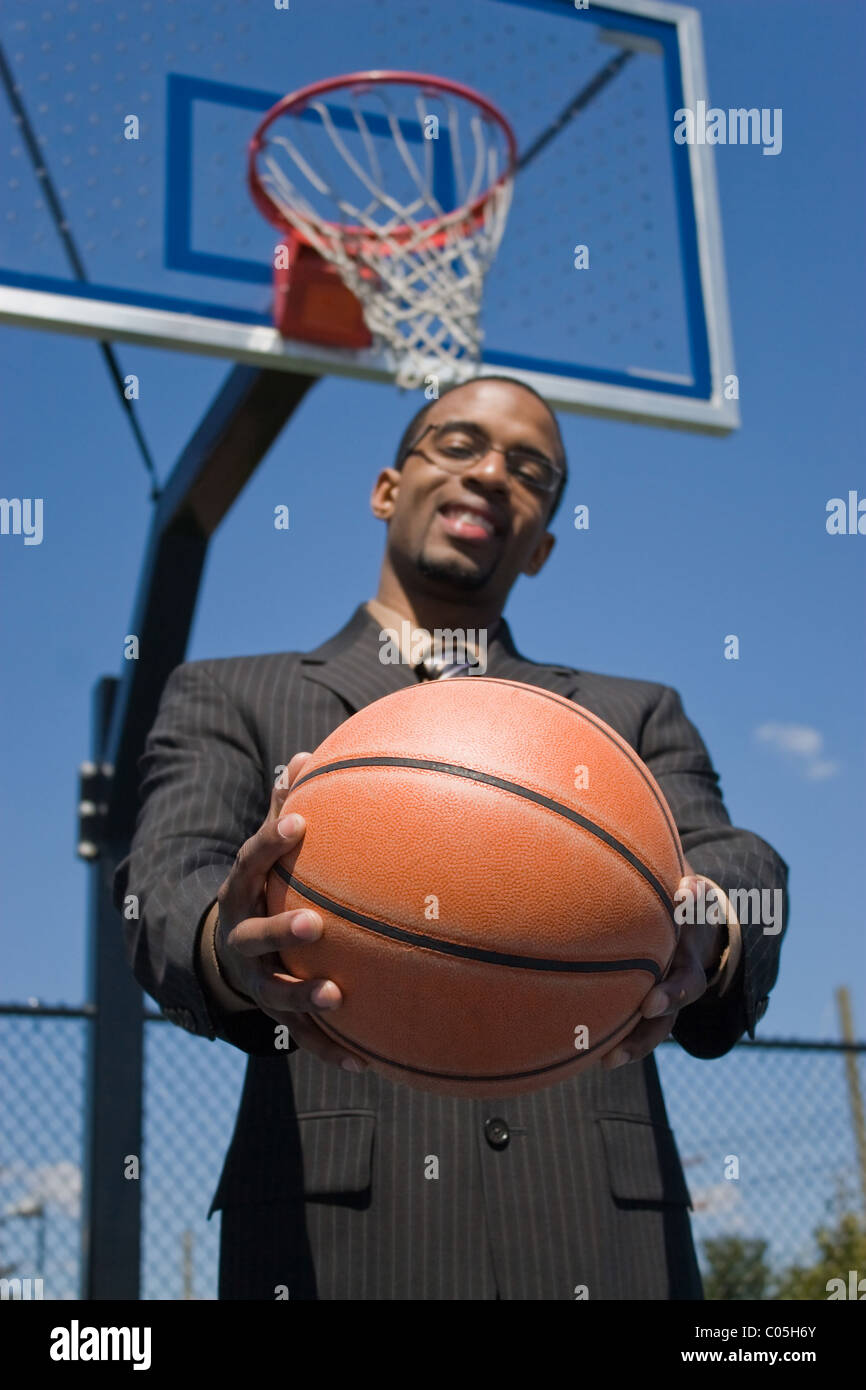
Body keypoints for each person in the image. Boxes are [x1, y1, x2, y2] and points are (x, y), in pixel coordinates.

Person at [114, 375, 788, 1300]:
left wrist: (709, 929)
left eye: (529, 469)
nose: (491, 475)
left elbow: (735, 859)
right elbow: (163, 879)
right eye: (458, 444)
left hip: (602, 1239)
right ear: (388, 488)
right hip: (336, 1243)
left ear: (544, 544)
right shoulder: (231, 693)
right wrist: (228, 951)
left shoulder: (625, 716)